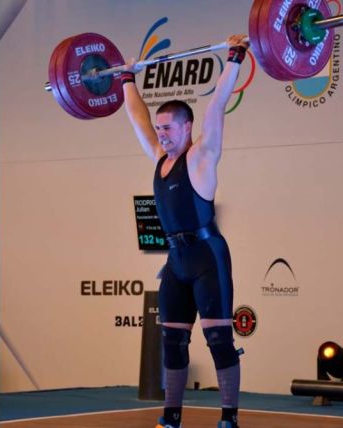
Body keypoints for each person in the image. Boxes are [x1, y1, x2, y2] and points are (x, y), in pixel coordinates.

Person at [120, 35, 249, 428]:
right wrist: (127, 78)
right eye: (160, 128)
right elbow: (137, 118)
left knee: (218, 341)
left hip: (208, 257)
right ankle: (171, 417)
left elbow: (217, 105)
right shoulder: (160, 158)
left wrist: (234, 57)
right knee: (172, 344)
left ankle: (228, 418)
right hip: (176, 262)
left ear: (186, 126)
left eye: (169, 128)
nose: (161, 134)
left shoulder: (201, 156)